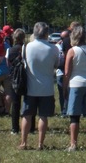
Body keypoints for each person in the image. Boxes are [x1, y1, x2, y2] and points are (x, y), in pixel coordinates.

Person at [19, 22, 59, 150]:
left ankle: (23, 142)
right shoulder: (53, 48)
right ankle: (40, 144)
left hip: (30, 87)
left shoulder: (26, 47)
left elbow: (24, 63)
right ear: (47, 33)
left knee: (27, 115)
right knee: (43, 116)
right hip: (47, 88)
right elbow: (56, 65)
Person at [63, 26, 86, 152]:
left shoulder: (72, 51)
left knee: (74, 116)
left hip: (76, 84)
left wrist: (64, 86)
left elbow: (67, 72)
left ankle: (73, 144)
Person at [6, 28, 28, 135]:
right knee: (28, 101)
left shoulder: (9, 50)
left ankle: (15, 128)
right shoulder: (26, 48)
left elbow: (8, 64)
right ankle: (30, 126)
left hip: (14, 78)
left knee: (15, 104)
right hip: (25, 77)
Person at [55, 29, 69, 116]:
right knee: (65, 92)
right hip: (63, 71)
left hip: (61, 71)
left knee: (63, 92)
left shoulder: (57, 46)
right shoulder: (72, 46)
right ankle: (65, 111)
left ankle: (64, 111)